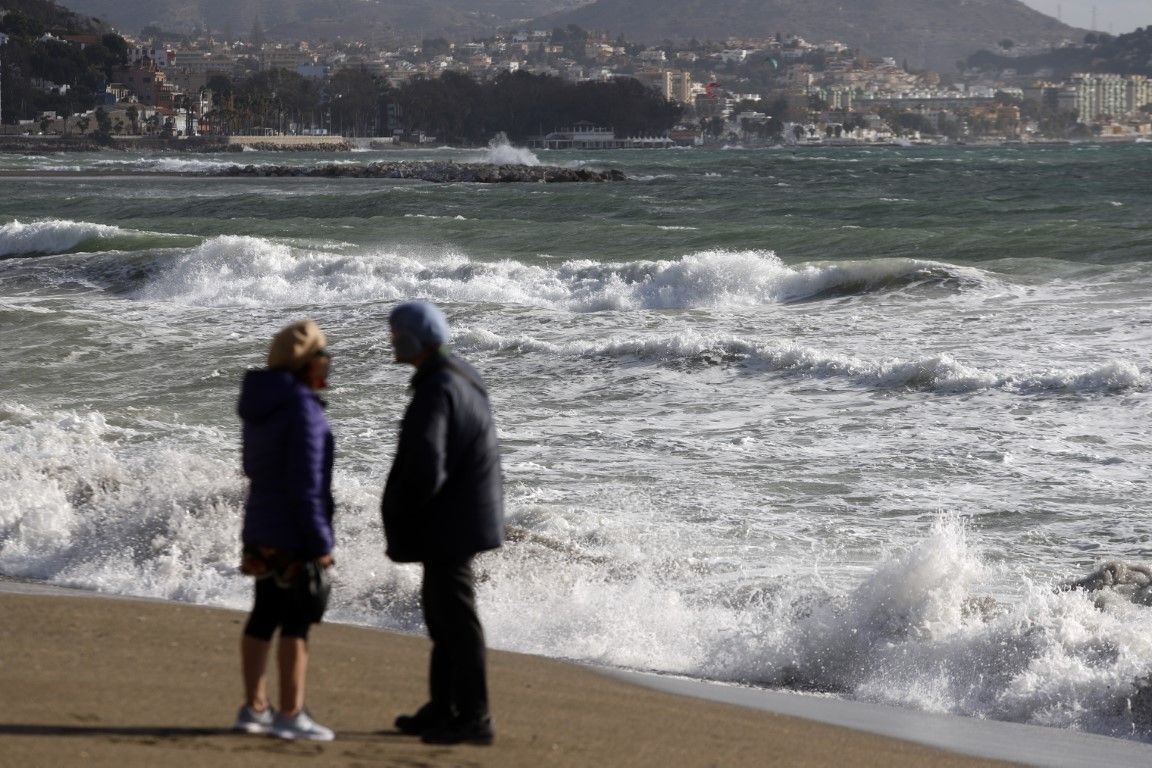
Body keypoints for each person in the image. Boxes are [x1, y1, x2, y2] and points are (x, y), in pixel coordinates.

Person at [380, 301, 504, 746]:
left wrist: (403, 511)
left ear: (414, 340)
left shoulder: (437, 388)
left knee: (455, 617)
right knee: (442, 614)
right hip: (464, 513)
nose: (392, 342)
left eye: (396, 335)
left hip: (451, 520)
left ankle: (474, 717)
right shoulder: (460, 374)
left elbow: (426, 466)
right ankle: (444, 706)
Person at [233, 319, 336, 742]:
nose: (328, 365)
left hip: (260, 522)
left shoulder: (262, 404)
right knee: (296, 623)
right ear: (310, 364)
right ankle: (291, 713)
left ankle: (254, 707)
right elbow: (306, 486)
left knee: (263, 614)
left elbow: (253, 468)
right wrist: (320, 543)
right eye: (323, 357)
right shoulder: (302, 408)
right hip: (294, 531)